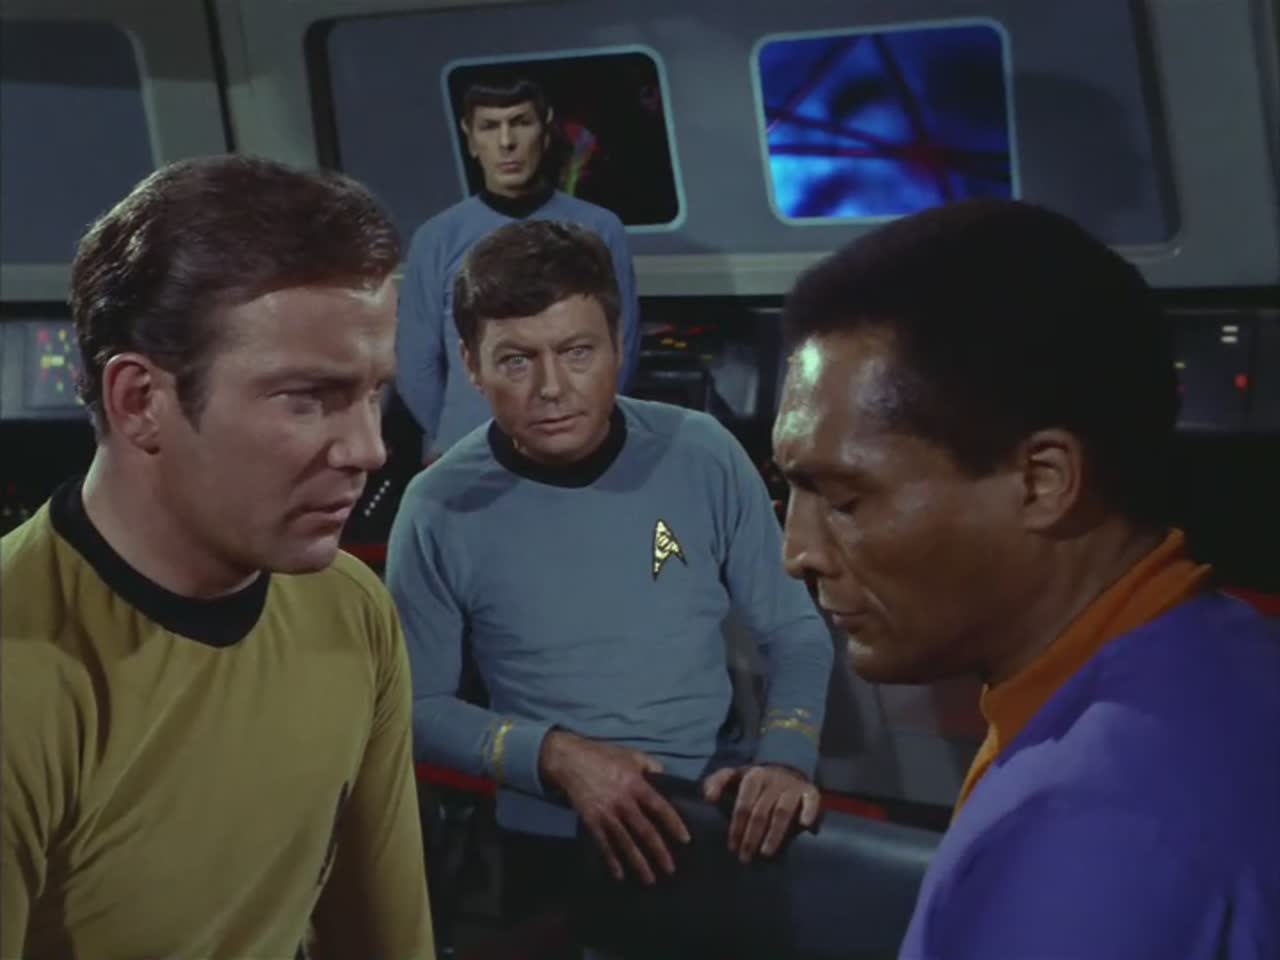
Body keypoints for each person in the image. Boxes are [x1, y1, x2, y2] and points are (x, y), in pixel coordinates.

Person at [772, 198, 1280, 959]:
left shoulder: (1085, 835)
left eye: (844, 500)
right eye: (790, 493)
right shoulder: (1230, 651)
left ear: (1043, 482)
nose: (799, 553)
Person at [0, 155, 435, 960]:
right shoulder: (21, 669)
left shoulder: (352, 609)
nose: (370, 450)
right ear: (140, 401)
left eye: (374, 393)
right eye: (309, 399)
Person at [386, 220, 833, 937]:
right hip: (545, 846)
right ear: (470, 365)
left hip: (710, 818)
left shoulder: (703, 453)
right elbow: (418, 707)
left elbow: (795, 631)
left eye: (577, 352)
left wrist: (785, 757)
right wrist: (556, 757)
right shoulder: (437, 506)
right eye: (516, 360)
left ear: (620, 346)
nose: (551, 388)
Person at [396, 76, 642, 461]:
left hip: (579, 452)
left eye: (520, 123)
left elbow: (620, 344)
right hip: (469, 454)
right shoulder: (437, 238)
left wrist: (581, 432)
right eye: (489, 127)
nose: (506, 142)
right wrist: (458, 439)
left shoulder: (599, 228)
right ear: (470, 138)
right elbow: (416, 365)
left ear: (545, 129)